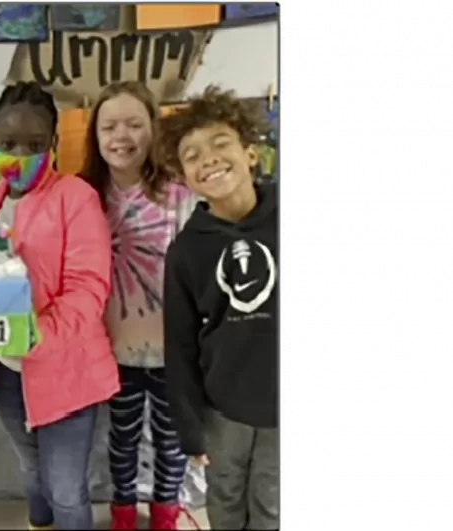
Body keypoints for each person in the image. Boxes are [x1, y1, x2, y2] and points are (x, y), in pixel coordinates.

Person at [0, 81, 121, 530]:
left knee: (67, 489)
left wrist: (38, 334)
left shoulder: (76, 197)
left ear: (54, 143)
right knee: (32, 470)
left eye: (35, 145)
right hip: (4, 370)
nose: (20, 155)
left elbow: (89, 287)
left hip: (67, 368)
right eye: (8, 143)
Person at [80, 81, 198, 531]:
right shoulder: (84, 196)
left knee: (170, 440)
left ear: (154, 128)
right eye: (109, 126)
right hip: (112, 351)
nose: (121, 136)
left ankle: (166, 512)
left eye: (134, 124)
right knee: (122, 438)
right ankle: (124, 513)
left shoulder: (179, 193)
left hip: (173, 351)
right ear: (95, 136)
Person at [161, 85, 279, 530]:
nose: (207, 159)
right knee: (225, 504)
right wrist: (189, 426)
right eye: (191, 155)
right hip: (223, 410)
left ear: (250, 153)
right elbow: (180, 344)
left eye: (220, 143)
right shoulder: (186, 251)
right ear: (184, 177)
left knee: (271, 507)